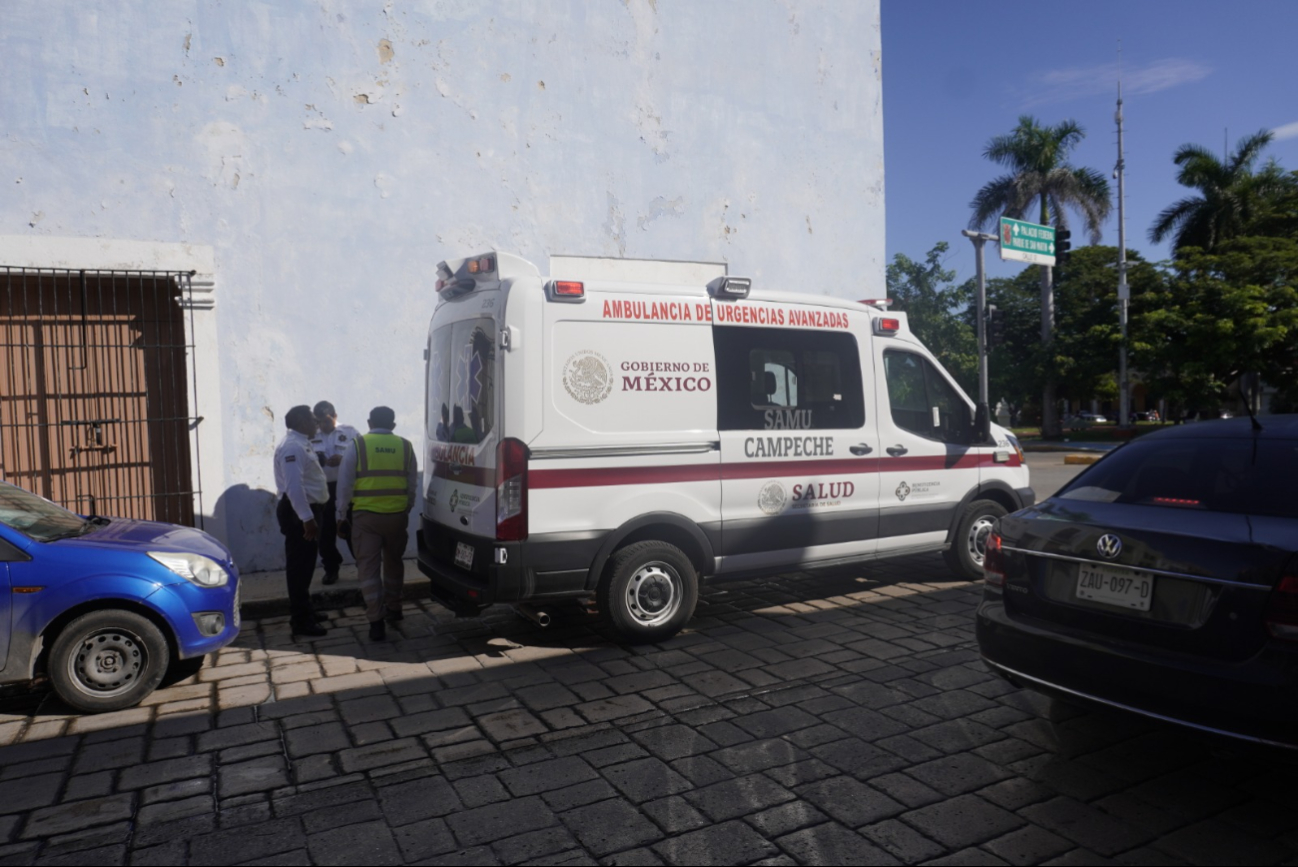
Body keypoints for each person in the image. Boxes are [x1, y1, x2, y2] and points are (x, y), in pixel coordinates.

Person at [336, 406, 418, 641]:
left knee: (368, 569)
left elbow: (344, 484)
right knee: (394, 562)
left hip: (366, 518)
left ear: (369, 422)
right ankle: (395, 608)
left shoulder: (358, 445)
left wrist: (341, 516)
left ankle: (376, 621)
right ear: (393, 424)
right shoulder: (405, 445)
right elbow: (412, 482)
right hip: (396, 516)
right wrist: (406, 507)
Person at [274, 405, 330, 637]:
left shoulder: (301, 443)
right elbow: (294, 488)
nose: (317, 423)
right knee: (299, 567)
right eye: (312, 419)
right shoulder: (293, 447)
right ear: (299, 421)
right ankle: (300, 620)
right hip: (300, 513)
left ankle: (305, 609)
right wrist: (307, 519)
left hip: (307, 510)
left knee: (306, 565)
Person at [309, 401, 360, 585]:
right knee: (324, 533)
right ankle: (331, 568)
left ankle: (363, 567)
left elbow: (362, 457)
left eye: (327, 420)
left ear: (335, 416)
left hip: (346, 488)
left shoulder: (350, 432)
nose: (323, 425)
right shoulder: (311, 434)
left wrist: (344, 459)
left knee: (352, 529)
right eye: (320, 421)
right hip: (322, 490)